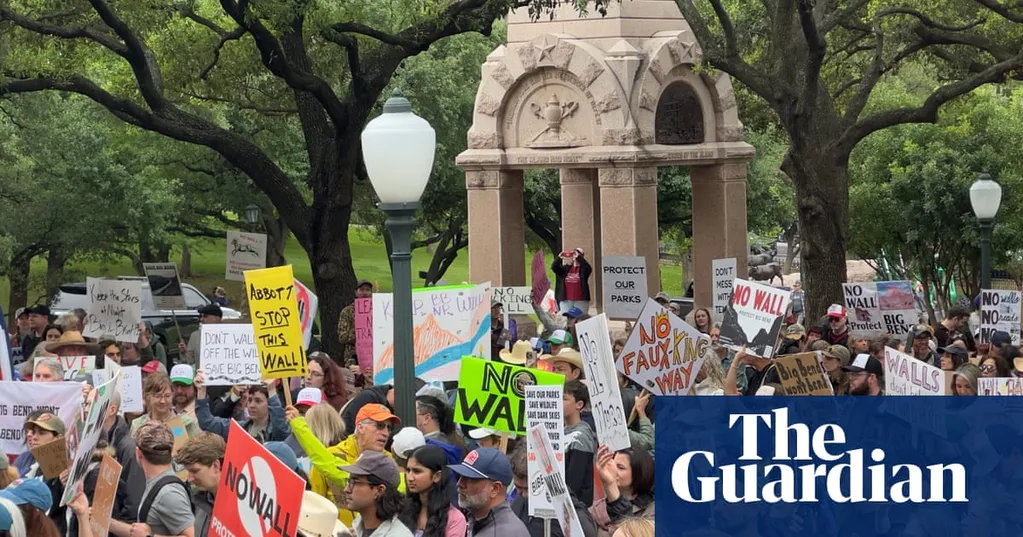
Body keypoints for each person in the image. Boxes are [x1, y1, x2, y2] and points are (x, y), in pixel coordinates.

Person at [287, 402, 404, 527]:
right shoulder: (334, 454)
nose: (386, 433)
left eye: (389, 428)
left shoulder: (389, 463)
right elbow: (314, 501)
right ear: (360, 427)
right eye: (380, 426)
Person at [107, 422, 195, 537]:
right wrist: (108, 522)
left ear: (138, 453)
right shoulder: (156, 483)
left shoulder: (168, 494)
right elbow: (138, 532)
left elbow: (191, 535)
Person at [507, 444, 597, 537]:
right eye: (518, 487)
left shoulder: (575, 519)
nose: (524, 494)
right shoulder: (517, 504)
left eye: (529, 488)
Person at [448, 448, 530, 537]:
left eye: (470, 479)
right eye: (461, 476)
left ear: (494, 489)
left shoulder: (503, 532)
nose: (459, 483)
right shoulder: (483, 520)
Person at [194, 372, 289, 443]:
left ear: (269, 404)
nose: (251, 405)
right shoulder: (239, 428)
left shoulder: (278, 431)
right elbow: (207, 423)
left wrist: (271, 390)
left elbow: (280, 428)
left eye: (258, 401)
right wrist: (201, 391)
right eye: (250, 400)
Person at [339, 451, 413, 537]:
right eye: (349, 481)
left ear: (379, 490)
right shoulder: (358, 527)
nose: (346, 489)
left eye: (355, 482)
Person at [398, 446, 467, 537]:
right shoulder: (401, 509)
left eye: (417, 471)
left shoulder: (454, 519)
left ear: (437, 476)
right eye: (408, 470)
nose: (410, 478)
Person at [173, 432, 225, 537]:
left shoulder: (239, 509)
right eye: (188, 471)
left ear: (216, 465)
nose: (190, 478)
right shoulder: (201, 499)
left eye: (195, 471)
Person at [591, 445, 654, 532]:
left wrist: (611, 485)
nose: (612, 470)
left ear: (638, 473)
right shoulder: (596, 509)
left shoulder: (653, 511)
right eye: (612, 464)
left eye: (620, 467)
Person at [132, 372, 200, 437]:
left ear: (172, 395)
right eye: (158, 396)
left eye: (167, 396)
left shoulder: (185, 422)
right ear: (147, 397)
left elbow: (195, 448)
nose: (163, 401)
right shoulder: (138, 424)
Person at [563, 380, 595, 506]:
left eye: (564, 399)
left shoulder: (581, 436)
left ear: (579, 404)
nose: (558, 403)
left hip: (575, 506)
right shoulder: (559, 430)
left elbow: (574, 481)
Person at [338, 279, 374, 368]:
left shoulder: (377, 310)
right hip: (353, 356)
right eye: (361, 290)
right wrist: (360, 334)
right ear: (356, 292)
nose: (365, 293)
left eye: (367, 290)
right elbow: (342, 337)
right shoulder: (347, 311)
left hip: (373, 356)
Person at [552, 248, 592, 314]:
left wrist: (579, 258)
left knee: (580, 320)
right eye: (574, 253)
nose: (575, 255)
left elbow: (588, 268)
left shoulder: (583, 269)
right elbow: (554, 267)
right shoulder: (566, 269)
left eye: (578, 253)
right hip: (566, 300)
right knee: (566, 320)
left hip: (581, 300)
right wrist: (559, 258)